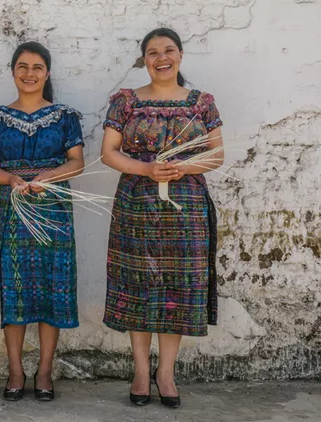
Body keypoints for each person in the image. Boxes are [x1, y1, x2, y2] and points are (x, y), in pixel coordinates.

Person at [100, 28, 224, 408]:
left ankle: (165, 373)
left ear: (181, 56)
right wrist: (146, 169)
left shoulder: (202, 102)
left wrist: (182, 167)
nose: (161, 57)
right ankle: (140, 370)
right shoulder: (126, 102)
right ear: (144, 60)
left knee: (177, 289)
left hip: (186, 207)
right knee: (138, 285)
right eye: (152, 52)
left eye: (168, 50)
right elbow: (109, 153)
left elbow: (216, 154)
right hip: (137, 202)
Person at [0, 42, 85, 402]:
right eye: (22, 66)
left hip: (53, 206)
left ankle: (44, 371)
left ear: (47, 73)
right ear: (13, 71)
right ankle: (15, 370)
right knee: (15, 287)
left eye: (37, 67)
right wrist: (11, 180)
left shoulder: (65, 115)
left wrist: (47, 177)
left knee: (53, 288)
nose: (29, 73)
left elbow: (76, 162)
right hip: (13, 207)